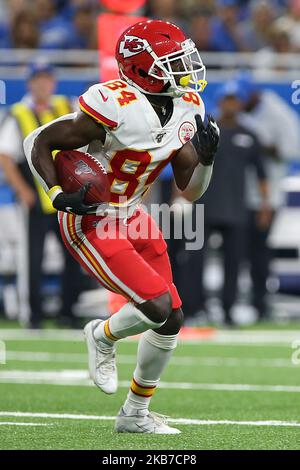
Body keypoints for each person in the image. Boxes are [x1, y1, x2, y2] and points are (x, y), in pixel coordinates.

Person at [23, 20, 219, 433]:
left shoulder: (188, 104)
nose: (186, 67)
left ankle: (135, 415)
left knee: (171, 319)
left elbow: (192, 191)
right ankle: (103, 335)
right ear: (143, 67)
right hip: (90, 220)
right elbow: (38, 141)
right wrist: (57, 193)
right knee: (157, 306)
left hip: (132, 213)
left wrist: (207, 159)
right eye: (173, 60)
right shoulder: (113, 103)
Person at [0, 61, 85, 328]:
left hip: (67, 200)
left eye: (47, 78)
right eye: (38, 79)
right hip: (36, 199)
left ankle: (68, 312)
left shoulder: (66, 107)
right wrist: (23, 190)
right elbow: (5, 156)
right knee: (32, 260)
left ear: (53, 82)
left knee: (75, 255)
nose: (42, 84)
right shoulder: (19, 113)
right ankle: (33, 315)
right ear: (29, 83)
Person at [180, 81, 270, 325]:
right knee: (193, 261)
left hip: (235, 208)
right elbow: (185, 165)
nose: (230, 104)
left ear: (240, 102)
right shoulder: (205, 132)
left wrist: (265, 205)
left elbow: (262, 175)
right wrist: (181, 196)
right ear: (219, 101)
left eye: (235, 99)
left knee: (234, 262)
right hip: (202, 206)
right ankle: (193, 309)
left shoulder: (249, 136)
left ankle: (228, 310)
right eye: (226, 99)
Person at [238, 73, 300, 319]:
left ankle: (261, 305)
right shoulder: (248, 112)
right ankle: (250, 302)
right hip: (243, 192)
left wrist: (261, 145)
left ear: (254, 94)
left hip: (267, 194)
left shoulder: (277, 114)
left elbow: (293, 150)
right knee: (243, 250)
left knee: (260, 250)